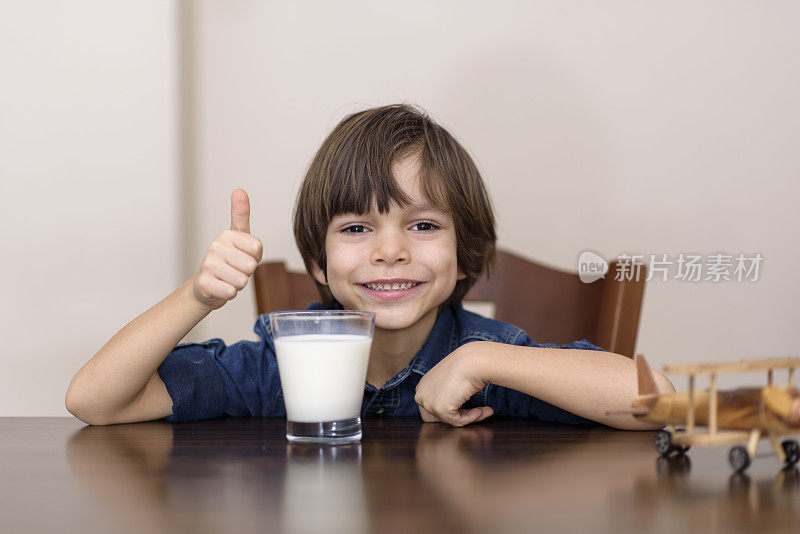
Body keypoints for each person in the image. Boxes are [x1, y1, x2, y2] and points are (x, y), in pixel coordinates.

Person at [66, 104, 674, 428]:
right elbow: (95, 401)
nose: (390, 251)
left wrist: (484, 359)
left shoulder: (490, 362)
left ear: (463, 257)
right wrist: (197, 297)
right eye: (357, 228)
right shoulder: (281, 365)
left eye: (424, 226)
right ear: (318, 264)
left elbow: (658, 401)